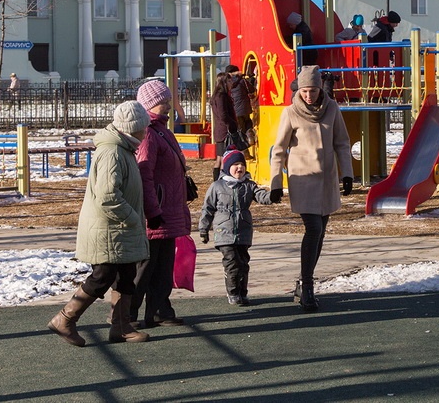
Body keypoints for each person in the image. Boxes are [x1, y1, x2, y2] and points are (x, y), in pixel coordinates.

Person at [47, 100, 151, 347]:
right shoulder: (113, 152)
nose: (146, 131)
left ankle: (121, 327)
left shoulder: (123, 148)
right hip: (109, 228)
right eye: (143, 127)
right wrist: (131, 218)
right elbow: (107, 196)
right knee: (102, 275)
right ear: (133, 127)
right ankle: (65, 319)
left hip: (117, 229)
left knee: (125, 274)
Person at [269, 65, 353, 313]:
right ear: (299, 89)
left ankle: (302, 282)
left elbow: (342, 142)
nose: (309, 95)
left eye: (313, 90)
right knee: (313, 229)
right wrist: (276, 183)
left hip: (327, 180)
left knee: (321, 233)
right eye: (305, 90)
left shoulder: (332, 109)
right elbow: (279, 149)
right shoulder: (291, 113)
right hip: (303, 179)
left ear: (320, 89)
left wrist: (346, 173)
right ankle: (307, 287)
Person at [130, 80, 191, 329]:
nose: (167, 105)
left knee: (163, 266)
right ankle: (128, 315)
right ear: (147, 105)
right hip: (157, 212)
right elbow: (145, 175)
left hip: (169, 209)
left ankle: (159, 309)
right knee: (145, 268)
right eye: (161, 101)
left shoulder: (162, 130)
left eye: (167, 100)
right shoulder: (148, 134)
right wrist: (153, 210)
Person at [199, 148, 278, 306]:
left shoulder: (248, 185)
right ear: (227, 167)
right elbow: (207, 208)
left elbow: (260, 195)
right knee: (231, 261)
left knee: (243, 262)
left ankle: (243, 292)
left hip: (243, 230)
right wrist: (204, 229)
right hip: (224, 231)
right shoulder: (217, 186)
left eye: (242, 164)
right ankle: (233, 292)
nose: (239, 168)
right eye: (235, 164)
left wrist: (272, 196)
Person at [210, 72, 240, 181]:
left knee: (219, 158)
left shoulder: (218, 95)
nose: (230, 83)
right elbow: (223, 115)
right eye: (228, 81)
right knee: (223, 158)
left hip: (220, 130)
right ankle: (222, 181)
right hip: (224, 131)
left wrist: (239, 76)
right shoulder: (221, 96)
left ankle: (217, 181)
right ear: (223, 82)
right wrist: (232, 124)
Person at [226, 64, 254, 147]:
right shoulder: (242, 81)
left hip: (235, 110)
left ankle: (245, 153)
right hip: (245, 108)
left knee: (240, 130)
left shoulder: (227, 82)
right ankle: (249, 134)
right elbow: (251, 90)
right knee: (248, 121)